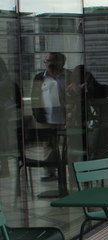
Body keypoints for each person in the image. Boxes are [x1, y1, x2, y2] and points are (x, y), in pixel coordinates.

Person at [30, 52, 72, 181]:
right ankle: (50, 171)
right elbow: (35, 98)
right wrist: (37, 115)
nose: (49, 64)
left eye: (53, 61)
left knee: (69, 145)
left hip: (67, 118)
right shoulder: (40, 77)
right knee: (49, 146)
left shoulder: (69, 76)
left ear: (62, 63)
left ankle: (70, 170)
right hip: (47, 118)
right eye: (47, 61)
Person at [0, 57, 20, 178]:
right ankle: (4, 166)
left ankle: (5, 167)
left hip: (3, 115)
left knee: (2, 142)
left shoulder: (6, 79)